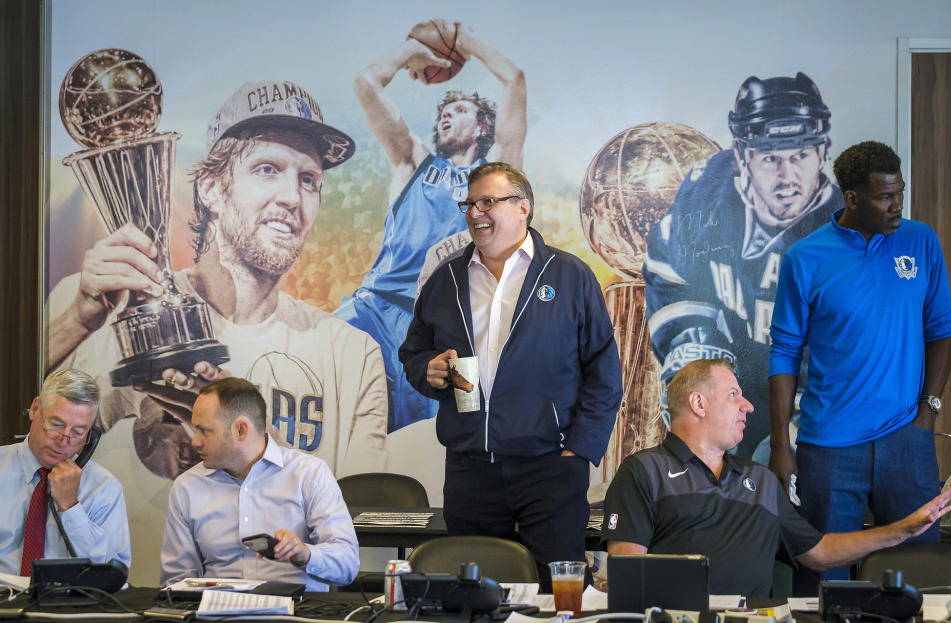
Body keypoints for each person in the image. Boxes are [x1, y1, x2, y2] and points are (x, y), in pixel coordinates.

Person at [45, 79, 388, 480]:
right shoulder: (101, 309)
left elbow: (358, 520)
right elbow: (22, 443)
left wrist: (244, 436)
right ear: (210, 188)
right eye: (267, 169)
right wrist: (77, 323)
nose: (293, 197)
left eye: (309, 179)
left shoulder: (352, 354)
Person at [399, 162, 621, 589]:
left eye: (488, 202)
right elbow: (413, 352)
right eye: (469, 203)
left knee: (557, 595)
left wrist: (580, 449)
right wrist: (427, 369)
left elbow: (604, 372)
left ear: (523, 208)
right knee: (474, 595)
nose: (475, 212)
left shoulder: (569, 275)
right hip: (470, 470)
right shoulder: (445, 279)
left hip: (551, 470)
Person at [768, 141, 951, 590]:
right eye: (885, 197)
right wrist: (780, 444)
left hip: (907, 441)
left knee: (921, 577)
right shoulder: (805, 258)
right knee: (822, 579)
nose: (897, 206)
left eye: (901, 193)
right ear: (852, 198)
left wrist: (927, 413)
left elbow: (942, 331)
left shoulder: (921, 240)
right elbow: (783, 352)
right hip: (829, 447)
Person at [602, 359, 951, 597]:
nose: (748, 406)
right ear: (698, 403)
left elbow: (817, 552)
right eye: (733, 395)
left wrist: (902, 529)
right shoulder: (642, 471)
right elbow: (628, 576)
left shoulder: (760, 479)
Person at [643, 72, 842, 461]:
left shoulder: (840, 231)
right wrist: (698, 371)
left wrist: (793, 434)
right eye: (770, 158)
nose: (788, 177)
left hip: (803, 398)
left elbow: (840, 355)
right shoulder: (708, 191)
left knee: (780, 488)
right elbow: (668, 271)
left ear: (823, 153)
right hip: (725, 382)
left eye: (800, 156)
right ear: (742, 156)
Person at [340, 21, 526, 432]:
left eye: (458, 110)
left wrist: (463, 41)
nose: (446, 116)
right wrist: (411, 49)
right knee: (312, 360)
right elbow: (366, 84)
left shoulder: (497, 175)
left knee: (462, 429)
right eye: (443, 111)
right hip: (376, 308)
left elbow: (514, 79)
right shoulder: (413, 162)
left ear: (482, 127)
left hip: (455, 331)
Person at [160, 377, 358, 590]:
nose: (195, 441)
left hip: (296, 613)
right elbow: (176, 584)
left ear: (240, 430)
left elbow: (347, 565)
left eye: (205, 431)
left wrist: (305, 554)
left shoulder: (309, 474)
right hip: (218, 614)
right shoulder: (187, 487)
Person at [0, 369, 130, 575]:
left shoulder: (104, 487)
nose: (63, 440)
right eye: (56, 424)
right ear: (35, 409)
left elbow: (112, 575)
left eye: (77, 432)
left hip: (68, 604)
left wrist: (70, 506)